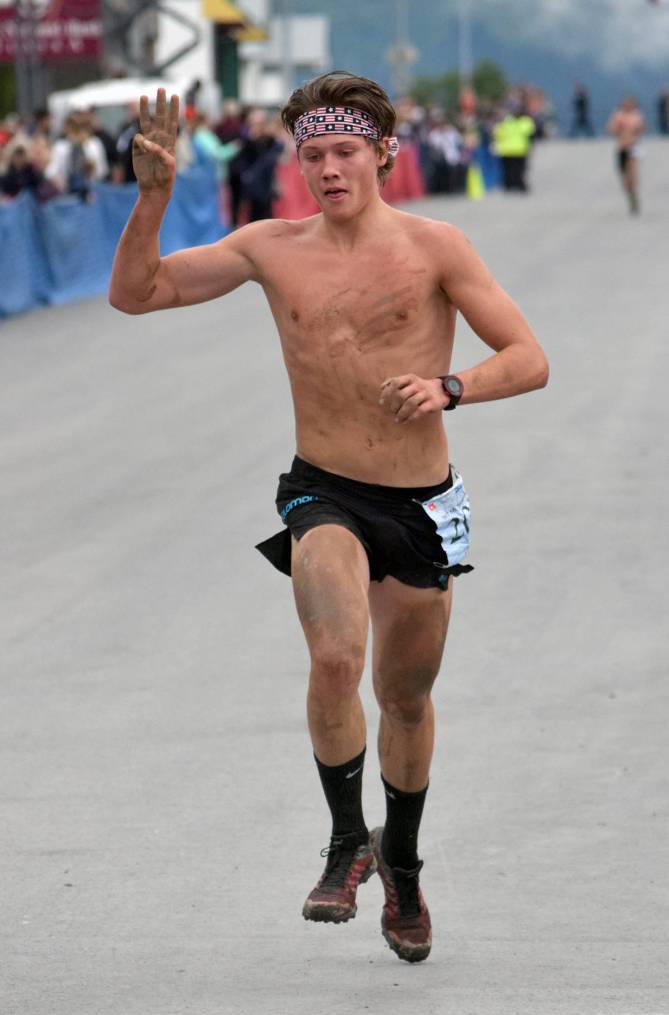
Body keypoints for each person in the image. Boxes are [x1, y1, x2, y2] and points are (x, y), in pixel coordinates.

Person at [109, 73, 548, 964]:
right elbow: (138, 292)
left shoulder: (436, 247)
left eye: (344, 151)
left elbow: (528, 357)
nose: (327, 169)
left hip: (420, 503)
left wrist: (448, 386)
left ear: (382, 152)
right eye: (311, 155)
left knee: (405, 699)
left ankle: (405, 864)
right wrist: (152, 198)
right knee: (335, 655)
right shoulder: (271, 247)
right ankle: (348, 842)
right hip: (325, 490)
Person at [607, 96, 645, 215]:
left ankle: (634, 196)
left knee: (632, 174)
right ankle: (630, 194)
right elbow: (611, 130)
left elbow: (642, 129)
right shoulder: (618, 116)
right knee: (623, 176)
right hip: (622, 148)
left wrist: (636, 131)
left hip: (633, 147)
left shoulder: (637, 116)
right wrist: (619, 130)